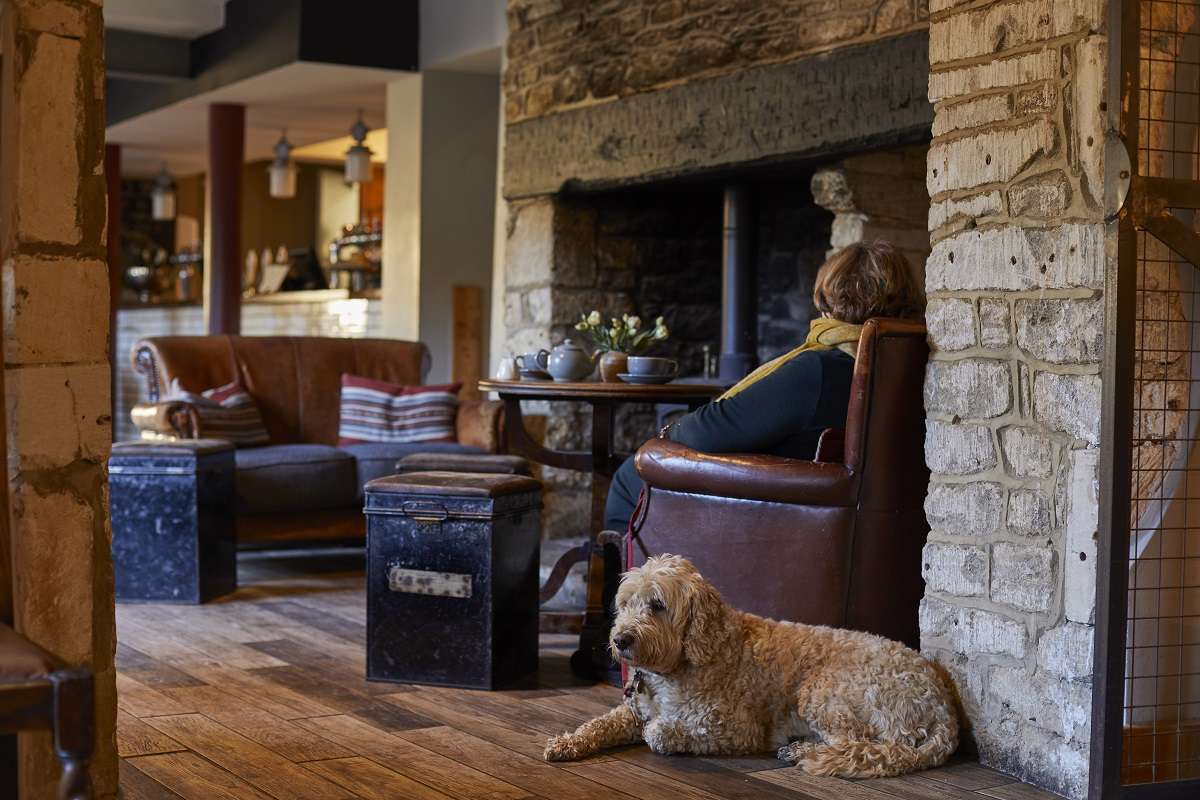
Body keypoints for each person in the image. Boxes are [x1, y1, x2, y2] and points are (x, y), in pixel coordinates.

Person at [603, 239, 925, 532]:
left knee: (630, 475)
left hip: (770, 515)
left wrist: (667, 434)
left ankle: (621, 580)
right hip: (835, 518)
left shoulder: (821, 369)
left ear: (831, 302)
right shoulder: (898, 364)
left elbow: (707, 431)